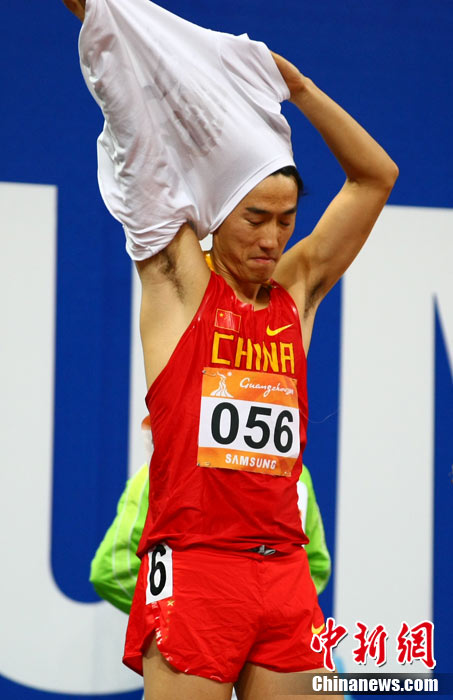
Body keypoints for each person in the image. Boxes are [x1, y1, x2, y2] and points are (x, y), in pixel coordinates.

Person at [61, 1, 398, 698]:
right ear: (219, 213)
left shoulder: (296, 293)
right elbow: (141, 141)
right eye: (255, 218)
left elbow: (375, 178)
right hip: (195, 567)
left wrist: (299, 90)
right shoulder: (179, 285)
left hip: (284, 571)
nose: (272, 239)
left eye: (286, 220)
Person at [90, 420, 332, 613]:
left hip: (197, 643)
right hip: (261, 646)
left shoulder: (160, 474)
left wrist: (179, 616)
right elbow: (315, 569)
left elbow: (112, 573)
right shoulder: (296, 475)